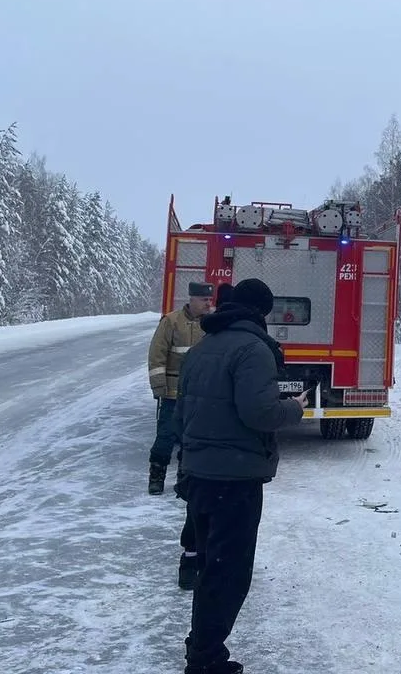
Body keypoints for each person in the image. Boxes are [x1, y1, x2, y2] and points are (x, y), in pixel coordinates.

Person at [174, 278, 306, 674]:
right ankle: (205, 659)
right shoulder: (254, 350)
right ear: (262, 312)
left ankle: (201, 646)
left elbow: (180, 413)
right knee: (228, 573)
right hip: (233, 480)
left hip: (199, 474)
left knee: (210, 567)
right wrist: (293, 408)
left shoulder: (202, 348)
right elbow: (259, 413)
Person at [173, 281, 241, 591]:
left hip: (197, 444)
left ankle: (190, 564)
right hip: (222, 453)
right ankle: (209, 569)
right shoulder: (234, 344)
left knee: (197, 510)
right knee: (223, 518)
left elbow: (184, 402)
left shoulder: (203, 344)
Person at [147, 281, 215, 494]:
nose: (208, 303)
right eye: (204, 300)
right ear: (192, 299)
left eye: (209, 299)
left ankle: (184, 479)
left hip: (200, 394)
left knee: (191, 438)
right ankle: (156, 476)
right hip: (172, 393)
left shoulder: (212, 324)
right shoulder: (171, 321)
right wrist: (159, 386)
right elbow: (156, 355)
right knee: (166, 436)